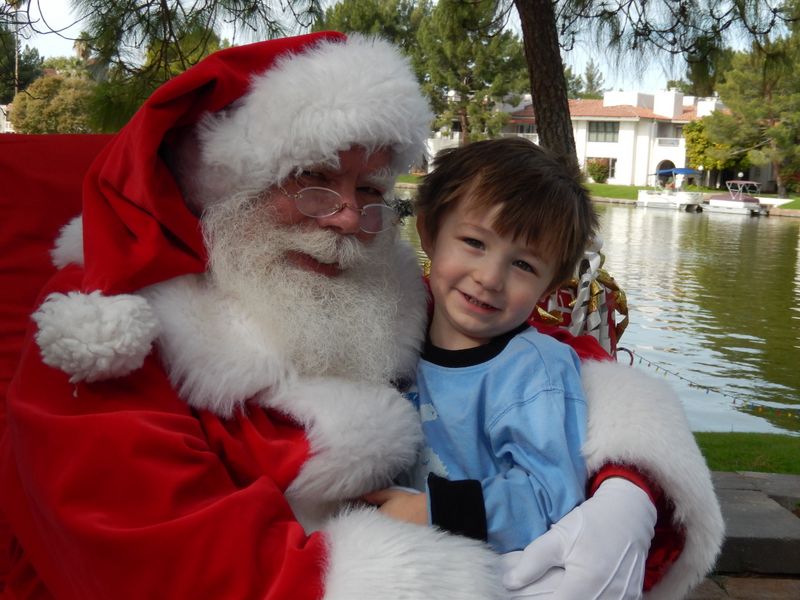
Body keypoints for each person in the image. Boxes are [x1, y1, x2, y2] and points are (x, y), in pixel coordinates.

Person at [0, 32, 723, 600]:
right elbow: (166, 568)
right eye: (312, 180)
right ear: (232, 181)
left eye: (370, 188)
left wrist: (630, 485)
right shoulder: (109, 335)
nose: (347, 217)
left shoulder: (381, 287)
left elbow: (541, 365)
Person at [365, 139, 594, 557]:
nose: (490, 277)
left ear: (550, 287)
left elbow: (552, 496)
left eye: (524, 265)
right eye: (474, 242)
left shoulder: (534, 371)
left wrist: (433, 512)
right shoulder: (390, 339)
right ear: (429, 233)